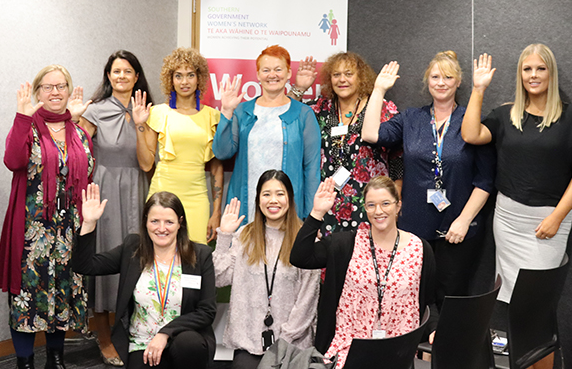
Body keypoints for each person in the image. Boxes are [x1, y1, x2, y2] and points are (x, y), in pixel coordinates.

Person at [461, 45, 572, 369]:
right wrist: (478, 90)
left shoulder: (571, 117)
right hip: (507, 220)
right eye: (526, 69)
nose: (533, 76)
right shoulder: (507, 115)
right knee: (516, 306)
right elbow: (470, 134)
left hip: (547, 223)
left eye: (540, 69)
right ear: (519, 75)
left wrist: (557, 216)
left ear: (551, 74)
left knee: (538, 306)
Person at [361, 52, 495, 305]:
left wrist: (464, 221)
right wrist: (378, 89)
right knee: (413, 297)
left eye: (448, 77)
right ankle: (416, 345)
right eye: (435, 77)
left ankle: (447, 345)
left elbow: (485, 181)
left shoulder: (472, 121)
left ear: (458, 82)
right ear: (427, 82)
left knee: (451, 298)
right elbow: (370, 134)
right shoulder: (411, 119)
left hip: (457, 228)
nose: (441, 82)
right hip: (415, 226)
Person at [0, 64, 94, 369]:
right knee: (28, 299)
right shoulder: (28, 126)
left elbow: (86, 173)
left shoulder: (78, 132)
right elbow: (13, 161)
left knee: (61, 296)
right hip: (32, 230)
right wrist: (22, 117)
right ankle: (25, 368)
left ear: (68, 90)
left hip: (67, 231)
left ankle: (55, 362)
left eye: (61, 86)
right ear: (38, 92)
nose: (55, 92)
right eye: (48, 86)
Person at [72, 187, 217, 369]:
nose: (161, 228)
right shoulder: (133, 249)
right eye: (154, 221)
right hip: (143, 345)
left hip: (182, 342)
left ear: (180, 223)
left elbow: (207, 311)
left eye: (169, 222)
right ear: (146, 222)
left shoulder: (199, 255)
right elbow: (84, 266)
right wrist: (89, 223)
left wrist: (165, 333)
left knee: (189, 343)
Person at [290, 176, 437, 369]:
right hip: (349, 348)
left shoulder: (420, 249)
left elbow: (430, 301)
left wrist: (434, 329)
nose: (379, 211)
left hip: (399, 351)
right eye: (371, 205)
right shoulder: (345, 245)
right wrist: (317, 213)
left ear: (398, 205)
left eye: (385, 203)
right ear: (365, 209)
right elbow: (300, 257)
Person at [74, 50, 155, 367]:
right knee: (105, 259)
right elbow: (77, 149)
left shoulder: (148, 110)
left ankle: (136, 331)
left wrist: (140, 124)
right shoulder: (95, 111)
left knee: (139, 259)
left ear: (137, 77)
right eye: (115, 71)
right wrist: (72, 117)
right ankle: (104, 337)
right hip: (105, 189)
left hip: (137, 188)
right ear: (108, 76)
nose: (121, 76)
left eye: (127, 71)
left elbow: (148, 163)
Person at [213, 171, 320, 369]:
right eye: (266, 194)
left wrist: (284, 342)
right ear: (258, 199)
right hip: (249, 343)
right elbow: (219, 278)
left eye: (280, 194)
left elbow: (308, 302)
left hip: (292, 345)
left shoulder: (306, 240)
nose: (273, 200)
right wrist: (224, 236)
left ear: (289, 198)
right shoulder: (244, 236)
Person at [292, 52, 402, 235]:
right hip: (327, 205)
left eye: (349, 74)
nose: (342, 79)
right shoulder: (321, 108)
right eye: (336, 75)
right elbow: (287, 117)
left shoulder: (381, 109)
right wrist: (299, 88)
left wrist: (395, 200)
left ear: (361, 77)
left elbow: (398, 157)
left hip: (372, 206)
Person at [214, 45, 321, 222]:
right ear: (258, 75)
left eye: (278, 69)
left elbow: (311, 169)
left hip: (288, 209)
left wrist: (312, 217)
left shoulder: (303, 114)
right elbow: (222, 152)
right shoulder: (242, 111)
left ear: (288, 73)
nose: (272, 75)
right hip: (246, 208)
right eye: (266, 70)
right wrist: (226, 111)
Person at [137, 47, 222, 243]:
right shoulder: (157, 113)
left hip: (197, 196)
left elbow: (216, 169)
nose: (184, 82)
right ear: (170, 79)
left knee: (195, 257)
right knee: (159, 253)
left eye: (190, 75)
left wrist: (216, 211)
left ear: (199, 78)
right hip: (163, 193)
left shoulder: (213, 116)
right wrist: (139, 125)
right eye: (178, 76)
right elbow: (145, 164)